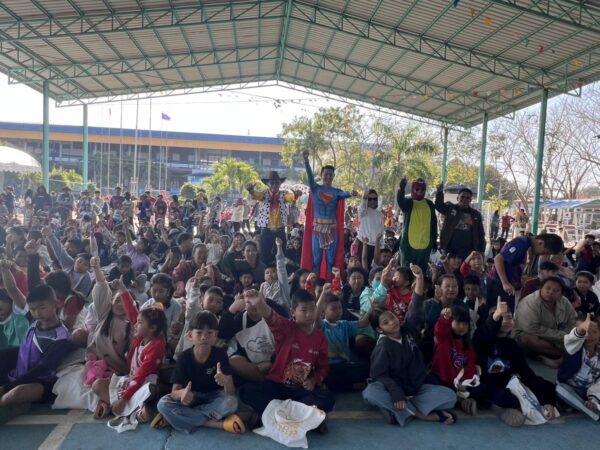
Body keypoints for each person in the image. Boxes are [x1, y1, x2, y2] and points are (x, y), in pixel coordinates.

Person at [362, 264, 457, 426]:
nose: (392, 322)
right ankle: (421, 414)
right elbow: (379, 376)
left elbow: (415, 307)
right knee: (371, 393)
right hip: (394, 390)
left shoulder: (407, 330)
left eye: (392, 317)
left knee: (450, 396)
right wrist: (396, 391)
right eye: (386, 322)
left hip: (415, 389)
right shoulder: (383, 346)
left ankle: (399, 410)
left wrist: (419, 279)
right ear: (379, 329)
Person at [238, 289, 335, 432]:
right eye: (304, 310)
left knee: (327, 398)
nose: (309, 314)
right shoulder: (286, 328)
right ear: (293, 312)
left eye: (312, 309)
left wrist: (313, 380)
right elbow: (271, 317)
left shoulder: (320, 338)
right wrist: (259, 303)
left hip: (300, 390)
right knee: (246, 391)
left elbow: (324, 367)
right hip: (276, 385)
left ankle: (272, 413)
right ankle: (304, 415)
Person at [152, 311, 245, 434]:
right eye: (199, 332)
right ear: (190, 335)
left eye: (209, 333)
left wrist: (226, 381)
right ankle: (216, 424)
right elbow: (174, 392)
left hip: (214, 397)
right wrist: (183, 394)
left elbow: (231, 392)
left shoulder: (221, 354)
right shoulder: (184, 358)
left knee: (231, 402)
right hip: (192, 398)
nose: (204, 337)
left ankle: (179, 418)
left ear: (216, 335)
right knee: (163, 404)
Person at [91, 281, 167, 424]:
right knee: (97, 385)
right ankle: (127, 408)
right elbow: (132, 310)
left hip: (143, 384)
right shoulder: (142, 335)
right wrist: (122, 287)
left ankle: (123, 407)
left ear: (152, 328)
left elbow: (141, 376)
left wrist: (123, 399)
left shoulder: (156, 347)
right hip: (131, 380)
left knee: (149, 391)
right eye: (137, 321)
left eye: (140, 322)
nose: (135, 325)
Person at [474, 300, 558, 427]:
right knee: (498, 395)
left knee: (548, 387)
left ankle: (515, 406)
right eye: (502, 318)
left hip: (507, 382)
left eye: (509, 318)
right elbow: (487, 331)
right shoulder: (481, 337)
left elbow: (526, 373)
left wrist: (546, 401)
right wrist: (495, 317)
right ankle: (497, 408)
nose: (506, 321)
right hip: (487, 383)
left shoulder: (512, 345)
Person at [0, 285, 73, 408]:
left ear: (56, 304)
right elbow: (13, 290)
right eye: (32, 309)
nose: (37, 313)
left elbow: (42, 369)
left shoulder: (61, 337)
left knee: (15, 393)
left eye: (42, 307)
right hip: (18, 375)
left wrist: (5, 388)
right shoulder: (33, 322)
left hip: (42, 383)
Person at [300, 149, 358, 279]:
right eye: (326, 174)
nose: (328, 177)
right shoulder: (315, 189)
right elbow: (309, 176)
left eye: (330, 175)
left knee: (331, 261)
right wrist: (306, 161)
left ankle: (331, 284)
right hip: (318, 229)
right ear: (321, 175)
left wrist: (351, 193)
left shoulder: (337, 192)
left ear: (333, 177)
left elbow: (344, 194)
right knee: (316, 260)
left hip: (332, 230)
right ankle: (314, 285)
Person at [513, 276, 577, 368]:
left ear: (561, 294)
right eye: (548, 288)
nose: (550, 292)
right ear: (541, 288)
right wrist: (562, 336)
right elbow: (531, 328)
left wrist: (569, 335)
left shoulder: (565, 302)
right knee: (529, 340)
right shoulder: (531, 302)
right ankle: (568, 356)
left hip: (557, 334)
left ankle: (562, 358)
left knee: (581, 335)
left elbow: (573, 320)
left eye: (556, 290)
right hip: (532, 333)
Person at [491, 233, 564, 310]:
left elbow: (513, 264)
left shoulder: (526, 245)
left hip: (508, 284)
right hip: (498, 282)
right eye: (544, 252)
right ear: (540, 243)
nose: (541, 255)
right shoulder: (521, 244)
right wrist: (505, 283)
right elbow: (498, 259)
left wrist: (520, 277)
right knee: (503, 312)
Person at [556, 313, 600, 421]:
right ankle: (592, 413)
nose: (589, 336)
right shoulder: (573, 348)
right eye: (584, 331)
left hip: (589, 393)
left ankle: (587, 405)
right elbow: (572, 340)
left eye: (594, 332)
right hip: (569, 389)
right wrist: (580, 330)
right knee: (560, 389)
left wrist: (593, 400)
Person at [247, 171, 297, 266]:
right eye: (272, 183)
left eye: (277, 183)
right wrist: (251, 191)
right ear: (268, 184)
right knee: (264, 255)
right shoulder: (263, 194)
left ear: (280, 184)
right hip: (266, 230)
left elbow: (290, 198)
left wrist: (295, 195)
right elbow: (256, 195)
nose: (274, 185)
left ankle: (279, 273)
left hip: (280, 230)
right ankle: (266, 272)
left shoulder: (283, 194)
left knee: (281, 255)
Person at [396, 178, 437, 272]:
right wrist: (401, 189)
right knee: (406, 271)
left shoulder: (430, 204)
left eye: (422, 189)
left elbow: (434, 223)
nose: (420, 191)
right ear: (413, 189)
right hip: (408, 246)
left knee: (421, 272)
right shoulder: (408, 202)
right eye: (417, 189)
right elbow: (400, 201)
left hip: (425, 246)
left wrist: (434, 240)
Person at [435, 184, 485, 261]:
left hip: (469, 251)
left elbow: (481, 233)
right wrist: (439, 192)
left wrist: (482, 250)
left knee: (465, 268)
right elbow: (439, 206)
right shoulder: (450, 208)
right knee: (449, 268)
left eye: (468, 198)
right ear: (457, 198)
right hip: (450, 249)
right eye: (462, 197)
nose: (465, 199)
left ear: (471, 200)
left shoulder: (476, 214)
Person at [358, 189, 384, 269]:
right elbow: (362, 206)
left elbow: (381, 231)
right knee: (363, 270)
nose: (372, 201)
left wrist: (381, 245)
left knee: (375, 270)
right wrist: (364, 198)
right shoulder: (363, 212)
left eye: (375, 199)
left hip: (376, 245)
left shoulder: (380, 214)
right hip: (364, 244)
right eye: (370, 199)